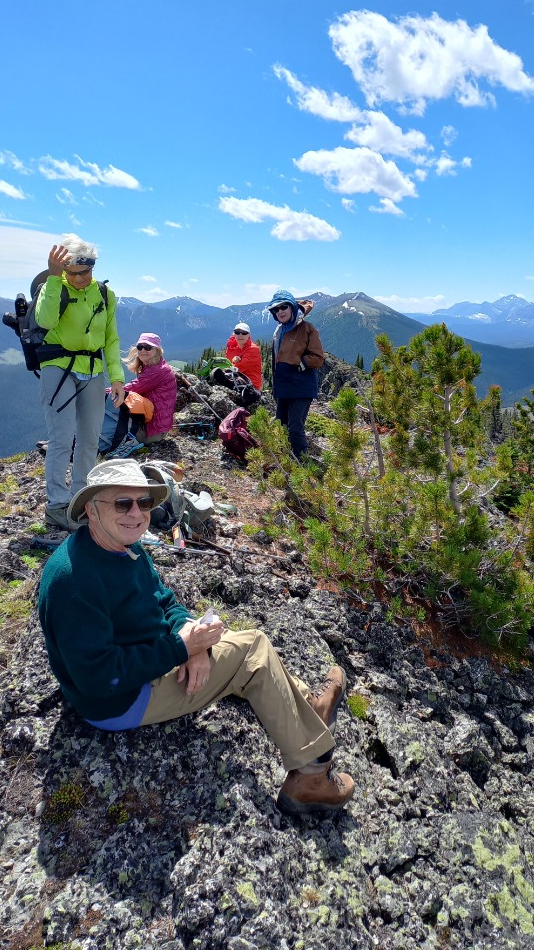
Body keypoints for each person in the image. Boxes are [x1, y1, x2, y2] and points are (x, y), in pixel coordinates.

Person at [37, 460, 355, 815]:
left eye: (144, 502)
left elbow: (163, 600)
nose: (136, 513)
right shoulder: (74, 579)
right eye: (122, 503)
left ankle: (308, 706)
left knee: (233, 643)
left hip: (147, 661)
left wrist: (194, 645)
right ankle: (311, 775)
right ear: (91, 509)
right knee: (253, 648)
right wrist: (181, 648)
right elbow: (100, 678)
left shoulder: (122, 546)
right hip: (122, 700)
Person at [36, 234, 125, 530]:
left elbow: (111, 338)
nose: (80, 278)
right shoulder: (53, 287)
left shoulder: (104, 294)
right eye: (73, 273)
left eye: (85, 272)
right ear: (64, 269)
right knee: (61, 438)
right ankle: (56, 505)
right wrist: (53, 277)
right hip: (58, 367)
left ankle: (80, 499)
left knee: (89, 439)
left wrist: (117, 378)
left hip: (93, 369)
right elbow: (46, 321)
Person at [98, 332, 177, 455]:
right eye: (140, 347)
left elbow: (133, 388)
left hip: (152, 431)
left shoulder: (158, 371)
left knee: (111, 408)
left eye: (148, 347)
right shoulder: (154, 366)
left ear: (157, 350)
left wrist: (102, 392)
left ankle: (113, 446)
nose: (143, 350)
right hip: (154, 426)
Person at [267, 290, 324, 459]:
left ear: (292, 307)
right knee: (282, 425)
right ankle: (286, 460)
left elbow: (318, 357)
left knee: (295, 426)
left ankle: (303, 462)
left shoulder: (307, 329)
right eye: (276, 309)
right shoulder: (279, 331)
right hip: (284, 386)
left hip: (301, 386)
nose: (280, 311)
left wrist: (300, 364)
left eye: (284, 307)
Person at [225, 322, 263, 390]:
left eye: (244, 333)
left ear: (249, 335)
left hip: (251, 386)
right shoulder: (232, 348)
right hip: (235, 380)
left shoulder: (253, 349)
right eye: (237, 332)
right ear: (234, 334)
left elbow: (238, 368)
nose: (240, 335)